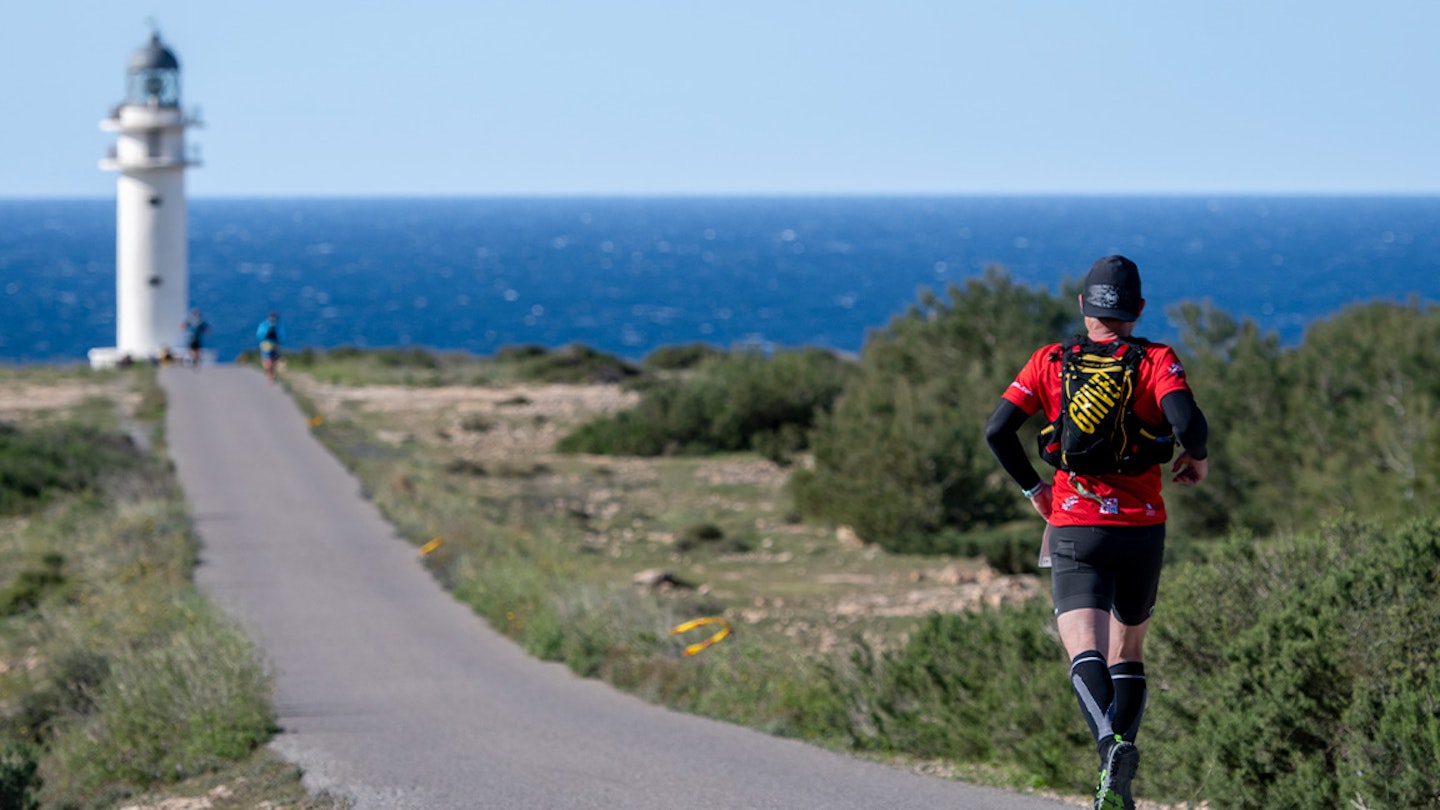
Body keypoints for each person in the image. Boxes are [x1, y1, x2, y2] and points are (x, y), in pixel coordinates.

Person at [983, 255, 1209, 810]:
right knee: (1127, 651)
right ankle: (1120, 767)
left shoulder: (1050, 361)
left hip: (1074, 527)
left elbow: (998, 431)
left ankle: (1108, 748)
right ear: (1139, 310)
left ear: (1083, 305)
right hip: (1140, 531)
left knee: (1084, 648)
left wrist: (1035, 491)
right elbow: (1188, 424)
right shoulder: (1156, 360)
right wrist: (1196, 457)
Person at [256, 311, 286, 383]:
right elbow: (282, 335)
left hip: (267, 344)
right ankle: (271, 374)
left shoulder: (264, 324)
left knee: (269, 360)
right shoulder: (277, 325)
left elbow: (259, 334)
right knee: (272, 360)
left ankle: (270, 374)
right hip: (273, 343)